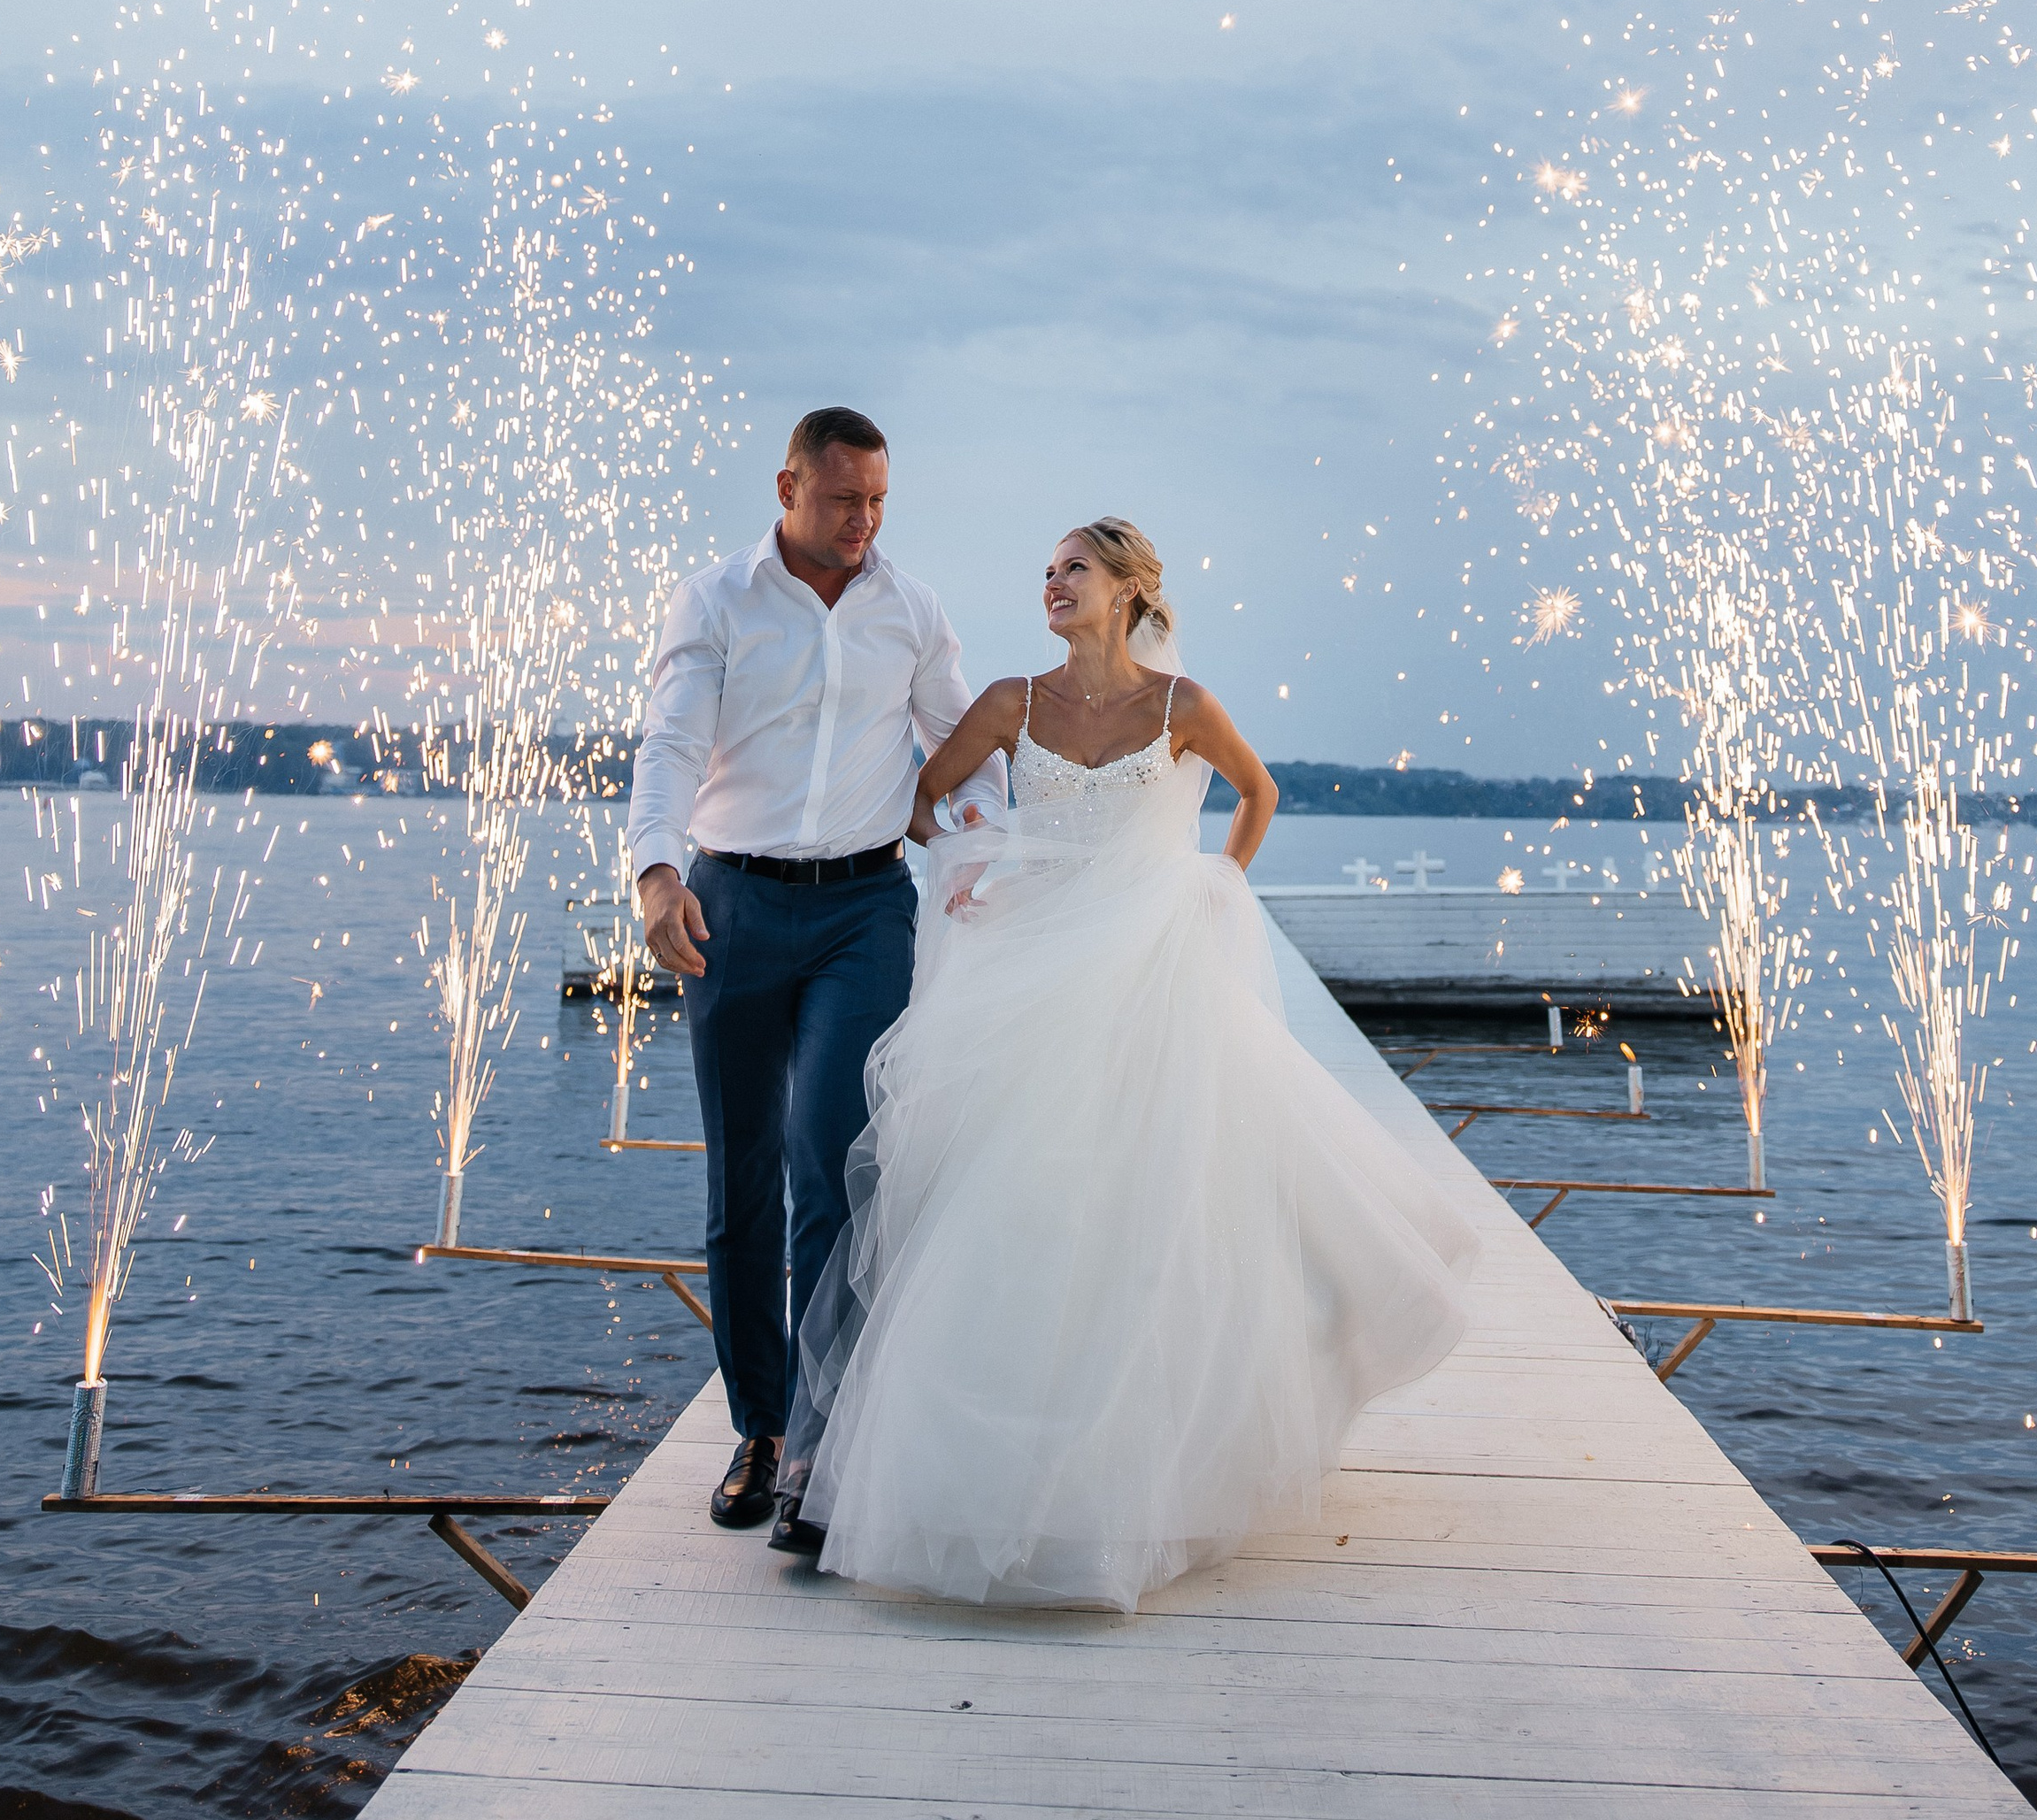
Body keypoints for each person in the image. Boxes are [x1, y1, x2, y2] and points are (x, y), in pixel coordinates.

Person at [775, 517, 1478, 1610]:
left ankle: (1146, 1468)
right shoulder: (1010, 702)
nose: (1052, 583)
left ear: (1129, 592)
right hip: (1036, 967)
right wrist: (968, 866)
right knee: (1023, 1202)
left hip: (1151, 971)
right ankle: (983, 1476)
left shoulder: (1181, 708)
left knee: (1153, 1201)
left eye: (1075, 570)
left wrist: (1216, 884)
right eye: (1048, 570)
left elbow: (1259, 795)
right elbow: (921, 800)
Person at [626, 407, 983, 1540]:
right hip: (730, 903)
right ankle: (762, 1429)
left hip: (865, 912)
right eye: (843, 501)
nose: (864, 522)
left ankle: (824, 1456)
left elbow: (961, 747)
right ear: (789, 486)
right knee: (741, 1186)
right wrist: (654, 876)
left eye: (878, 501)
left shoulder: (911, 608)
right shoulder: (716, 600)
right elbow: (673, 742)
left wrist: (988, 859)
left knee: (833, 1161)